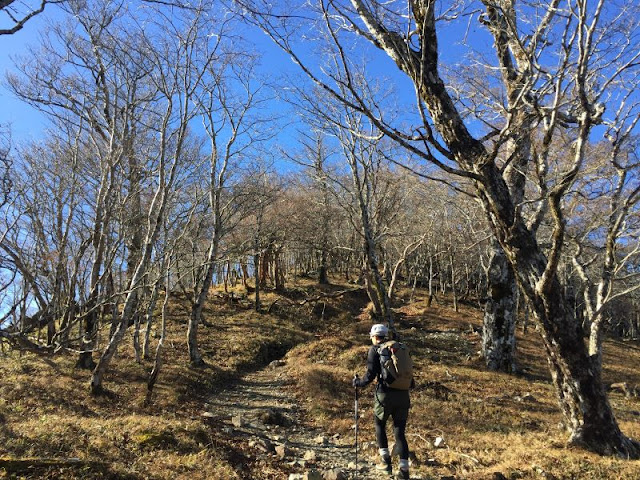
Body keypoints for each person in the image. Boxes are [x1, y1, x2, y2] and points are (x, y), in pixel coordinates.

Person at [352, 323, 411, 480]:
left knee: (380, 425)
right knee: (399, 432)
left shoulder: (376, 349)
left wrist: (358, 383)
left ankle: (386, 463)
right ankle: (404, 470)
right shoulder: (399, 349)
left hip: (385, 394)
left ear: (374, 336)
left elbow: (370, 375)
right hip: (403, 395)